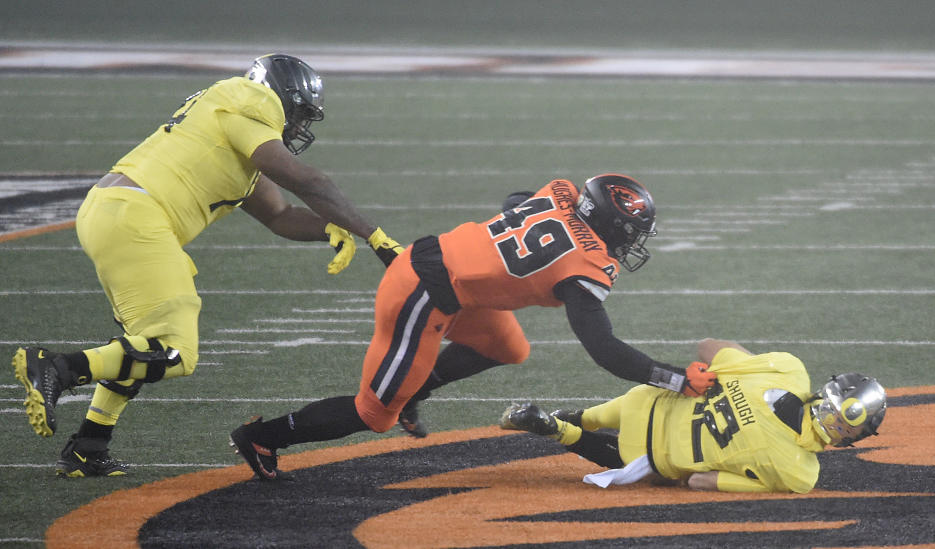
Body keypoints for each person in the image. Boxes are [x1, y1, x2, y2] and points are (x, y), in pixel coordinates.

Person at [11, 54, 403, 478]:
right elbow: (308, 181)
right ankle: (60, 367)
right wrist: (372, 233)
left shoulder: (233, 131)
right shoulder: (250, 98)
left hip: (117, 213)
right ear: (279, 98)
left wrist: (328, 228)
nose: (298, 127)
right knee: (175, 352)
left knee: (139, 346)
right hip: (135, 216)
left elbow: (278, 213)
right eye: (298, 114)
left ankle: (89, 445)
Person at [229, 173, 719, 481]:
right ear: (611, 228)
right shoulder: (585, 268)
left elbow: (516, 200)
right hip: (422, 291)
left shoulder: (563, 193)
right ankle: (265, 436)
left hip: (456, 281)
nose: (630, 246)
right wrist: (676, 378)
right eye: (630, 235)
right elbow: (604, 349)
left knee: (510, 346)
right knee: (375, 412)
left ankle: (416, 390)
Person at [500, 338, 887, 493]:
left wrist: (739, 367)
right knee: (638, 464)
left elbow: (707, 346)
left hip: (645, 401)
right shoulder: (799, 473)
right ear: (849, 434)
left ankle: (570, 418)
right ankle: (557, 431)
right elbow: (701, 481)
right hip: (649, 457)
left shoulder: (787, 371)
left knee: (599, 415)